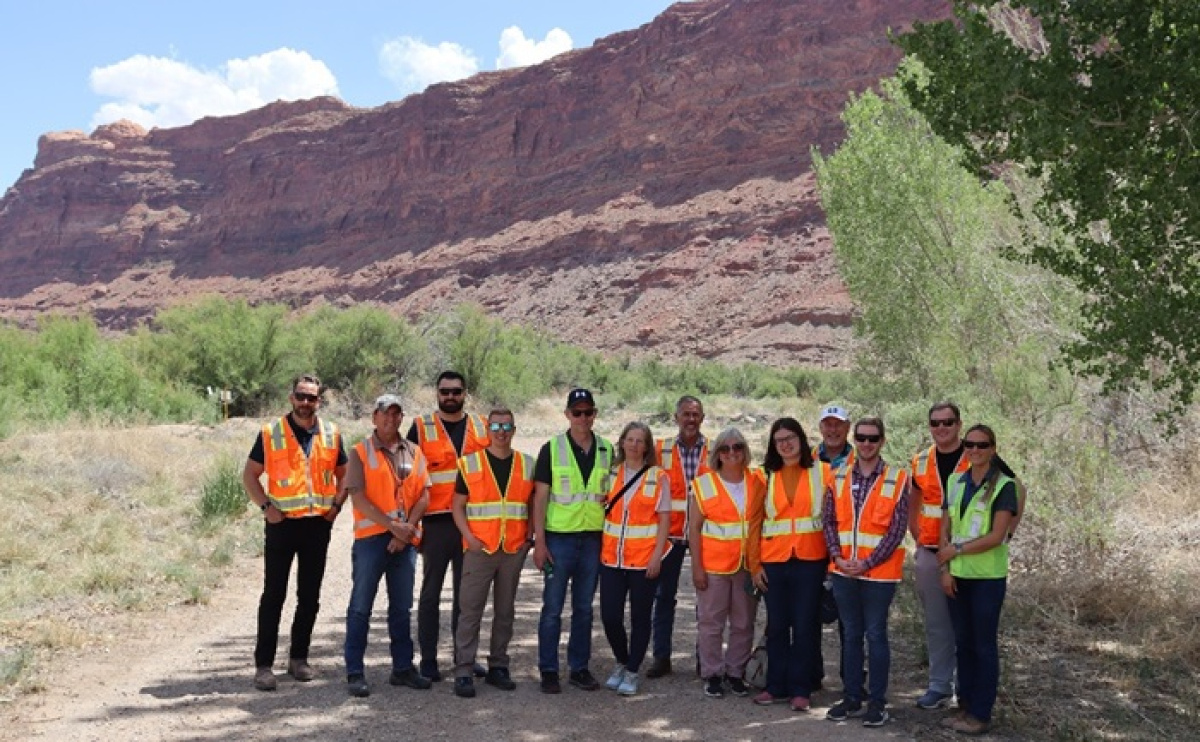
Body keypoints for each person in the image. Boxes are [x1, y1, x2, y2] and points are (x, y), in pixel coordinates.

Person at [909, 402, 1026, 710]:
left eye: (948, 422)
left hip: (975, 559)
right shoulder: (921, 461)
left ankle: (970, 695)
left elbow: (1016, 488)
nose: (941, 428)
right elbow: (914, 499)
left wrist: (1008, 533)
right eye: (935, 423)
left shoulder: (978, 453)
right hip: (934, 552)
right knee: (939, 623)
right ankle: (940, 685)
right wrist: (918, 536)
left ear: (958, 424)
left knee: (973, 634)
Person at [242, 374, 347, 692]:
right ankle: (264, 666)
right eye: (301, 396)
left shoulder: (331, 433)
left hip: (318, 525)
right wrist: (265, 508)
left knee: (310, 596)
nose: (305, 403)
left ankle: (299, 659)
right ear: (291, 398)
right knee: (274, 595)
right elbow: (249, 475)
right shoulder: (271, 433)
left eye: (312, 398)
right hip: (282, 524)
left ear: (319, 401)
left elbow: (345, 474)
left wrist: (337, 507)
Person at [342, 395, 433, 697]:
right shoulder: (359, 452)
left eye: (396, 414)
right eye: (385, 414)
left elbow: (424, 495)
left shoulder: (415, 452)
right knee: (360, 607)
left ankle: (403, 669)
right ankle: (355, 672)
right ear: (374, 417)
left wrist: (404, 532)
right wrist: (393, 526)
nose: (390, 420)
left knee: (402, 607)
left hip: (403, 542)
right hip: (371, 541)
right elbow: (359, 500)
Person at [823, 417, 909, 728]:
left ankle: (877, 703)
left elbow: (897, 530)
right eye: (861, 438)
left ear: (882, 441)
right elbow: (829, 521)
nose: (866, 444)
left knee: (876, 636)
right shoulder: (839, 474)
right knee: (850, 636)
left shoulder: (898, 478)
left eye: (873, 438)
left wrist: (868, 562)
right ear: (855, 439)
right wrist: (837, 555)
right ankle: (851, 698)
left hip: (880, 575)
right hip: (844, 571)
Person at [407, 371, 491, 681]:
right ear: (437, 393)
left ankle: (464, 657)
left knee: (466, 595)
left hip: (472, 521)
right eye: (445, 391)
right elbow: (408, 476)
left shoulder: (482, 426)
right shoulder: (420, 427)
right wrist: (412, 524)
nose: (450, 396)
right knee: (430, 593)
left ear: (465, 393)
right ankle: (428, 659)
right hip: (437, 522)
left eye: (456, 391)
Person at [747, 417, 833, 712]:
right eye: (779, 439)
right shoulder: (764, 476)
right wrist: (754, 565)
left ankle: (801, 689)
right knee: (778, 626)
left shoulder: (823, 472)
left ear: (801, 439)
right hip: (774, 561)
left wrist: (833, 563)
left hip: (811, 560)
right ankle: (776, 686)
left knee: (806, 625)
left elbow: (833, 520)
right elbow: (755, 523)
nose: (785, 443)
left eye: (790, 437)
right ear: (773, 444)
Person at [531, 388, 614, 694]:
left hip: (592, 540)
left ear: (595, 414)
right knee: (552, 608)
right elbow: (539, 499)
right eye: (576, 412)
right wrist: (539, 543)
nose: (583, 418)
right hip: (559, 540)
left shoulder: (607, 450)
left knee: (583, 608)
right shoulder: (551, 448)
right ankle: (549, 670)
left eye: (588, 412)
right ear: (567, 414)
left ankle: (579, 668)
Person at [937, 424, 1018, 736]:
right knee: (963, 643)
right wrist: (945, 569)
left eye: (981, 445)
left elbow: (997, 536)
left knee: (983, 646)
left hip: (987, 578)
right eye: (969, 445)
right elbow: (945, 529)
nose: (974, 450)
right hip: (956, 576)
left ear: (993, 448)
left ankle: (980, 713)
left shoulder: (1004, 485)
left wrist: (955, 551)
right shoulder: (956, 481)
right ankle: (966, 706)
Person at [449, 408, 535, 698]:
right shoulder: (470, 463)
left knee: (505, 611)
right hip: (479, 549)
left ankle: (499, 665)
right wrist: (469, 538)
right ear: (487, 429)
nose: (501, 431)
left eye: (506, 426)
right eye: (496, 426)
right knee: (470, 611)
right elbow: (457, 505)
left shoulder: (527, 464)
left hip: (513, 549)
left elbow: (533, 503)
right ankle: (464, 670)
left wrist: (529, 537)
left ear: (514, 429)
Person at [600, 422, 672, 696]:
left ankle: (632, 671)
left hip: (644, 561)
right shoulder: (610, 474)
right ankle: (621, 660)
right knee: (610, 616)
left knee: (641, 618)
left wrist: (657, 557)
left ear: (647, 446)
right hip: (611, 560)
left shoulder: (658, 477)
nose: (634, 445)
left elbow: (664, 520)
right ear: (621, 442)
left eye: (640, 441)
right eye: (630, 439)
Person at [690, 427, 758, 699]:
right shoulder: (704, 484)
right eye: (725, 448)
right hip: (714, 566)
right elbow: (694, 529)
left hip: (748, 566)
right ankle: (712, 673)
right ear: (716, 453)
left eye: (737, 447)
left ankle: (736, 673)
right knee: (711, 623)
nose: (732, 453)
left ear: (745, 451)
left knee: (744, 623)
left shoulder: (758, 480)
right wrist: (697, 567)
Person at [647, 396, 710, 679]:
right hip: (670, 535)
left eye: (695, 415)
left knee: (706, 599)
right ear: (676, 417)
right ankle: (661, 657)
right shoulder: (659, 450)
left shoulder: (716, 450)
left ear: (702, 417)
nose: (690, 419)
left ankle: (704, 659)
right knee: (664, 597)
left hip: (704, 534)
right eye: (685, 414)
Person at [814, 404, 855, 471]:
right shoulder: (807, 458)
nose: (833, 430)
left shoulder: (860, 460)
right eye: (828, 424)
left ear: (848, 427)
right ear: (820, 428)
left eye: (838, 424)